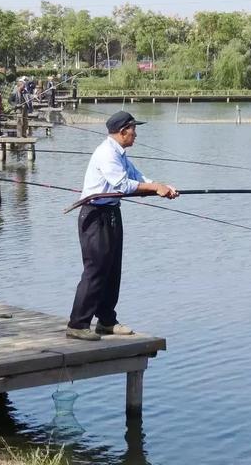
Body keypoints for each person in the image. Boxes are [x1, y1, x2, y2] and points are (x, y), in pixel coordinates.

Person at [66, 111, 179, 341]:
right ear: (122, 131)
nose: (135, 134)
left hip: (111, 214)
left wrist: (161, 187)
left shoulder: (120, 154)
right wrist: (154, 188)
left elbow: (136, 177)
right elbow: (122, 184)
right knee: (96, 270)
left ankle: (106, 321)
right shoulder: (106, 153)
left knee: (112, 270)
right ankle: (77, 324)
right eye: (133, 129)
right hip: (95, 216)